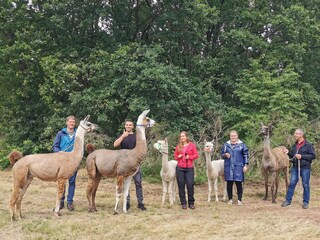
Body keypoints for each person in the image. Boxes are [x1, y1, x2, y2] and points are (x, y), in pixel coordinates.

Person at [113, 119, 147, 211]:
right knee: (125, 184)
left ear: (133, 127)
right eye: (127, 125)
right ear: (125, 126)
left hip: (135, 164)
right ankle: (126, 203)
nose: (128, 126)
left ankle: (140, 203)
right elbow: (115, 145)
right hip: (124, 165)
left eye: (130, 125)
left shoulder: (136, 137)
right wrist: (123, 136)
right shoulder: (122, 136)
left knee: (138, 182)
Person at [281, 128, 316, 209]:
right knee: (292, 184)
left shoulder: (308, 145)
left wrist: (302, 156)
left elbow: (313, 156)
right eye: (295, 133)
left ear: (301, 135)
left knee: (305, 184)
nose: (294, 135)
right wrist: (287, 152)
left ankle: (306, 202)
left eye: (296, 133)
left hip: (305, 168)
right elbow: (293, 155)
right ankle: (288, 200)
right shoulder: (294, 145)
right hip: (295, 167)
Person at [52, 115, 77, 211]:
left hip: (73, 161)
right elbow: (55, 146)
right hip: (62, 161)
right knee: (62, 181)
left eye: (73, 122)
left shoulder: (77, 134)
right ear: (67, 122)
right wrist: (59, 152)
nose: (71, 124)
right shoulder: (61, 133)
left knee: (72, 181)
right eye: (70, 122)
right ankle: (61, 201)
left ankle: (70, 202)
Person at [221, 130, 249, 206]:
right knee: (229, 183)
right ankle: (230, 199)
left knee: (238, 183)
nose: (233, 137)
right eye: (231, 136)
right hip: (229, 166)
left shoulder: (242, 145)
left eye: (234, 136)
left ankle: (239, 199)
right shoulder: (226, 145)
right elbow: (222, 154)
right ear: (230, 136)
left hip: (238, 166)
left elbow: (246, 155)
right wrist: (225, 155)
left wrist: (246, 165)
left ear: (237, 136)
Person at [174, 131, 199, 210]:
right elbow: (175, 157)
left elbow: (196, 155)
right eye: (181, 136)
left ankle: (191, 202)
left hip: (189, 168)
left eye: (183, 136)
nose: (182, 138)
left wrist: (190, 157)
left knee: (190, 185)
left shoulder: (191, 145)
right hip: (180, 168)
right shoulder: (178, 146)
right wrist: (179, 156)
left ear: (186, 137)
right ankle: (183, 203)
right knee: (181, 186)